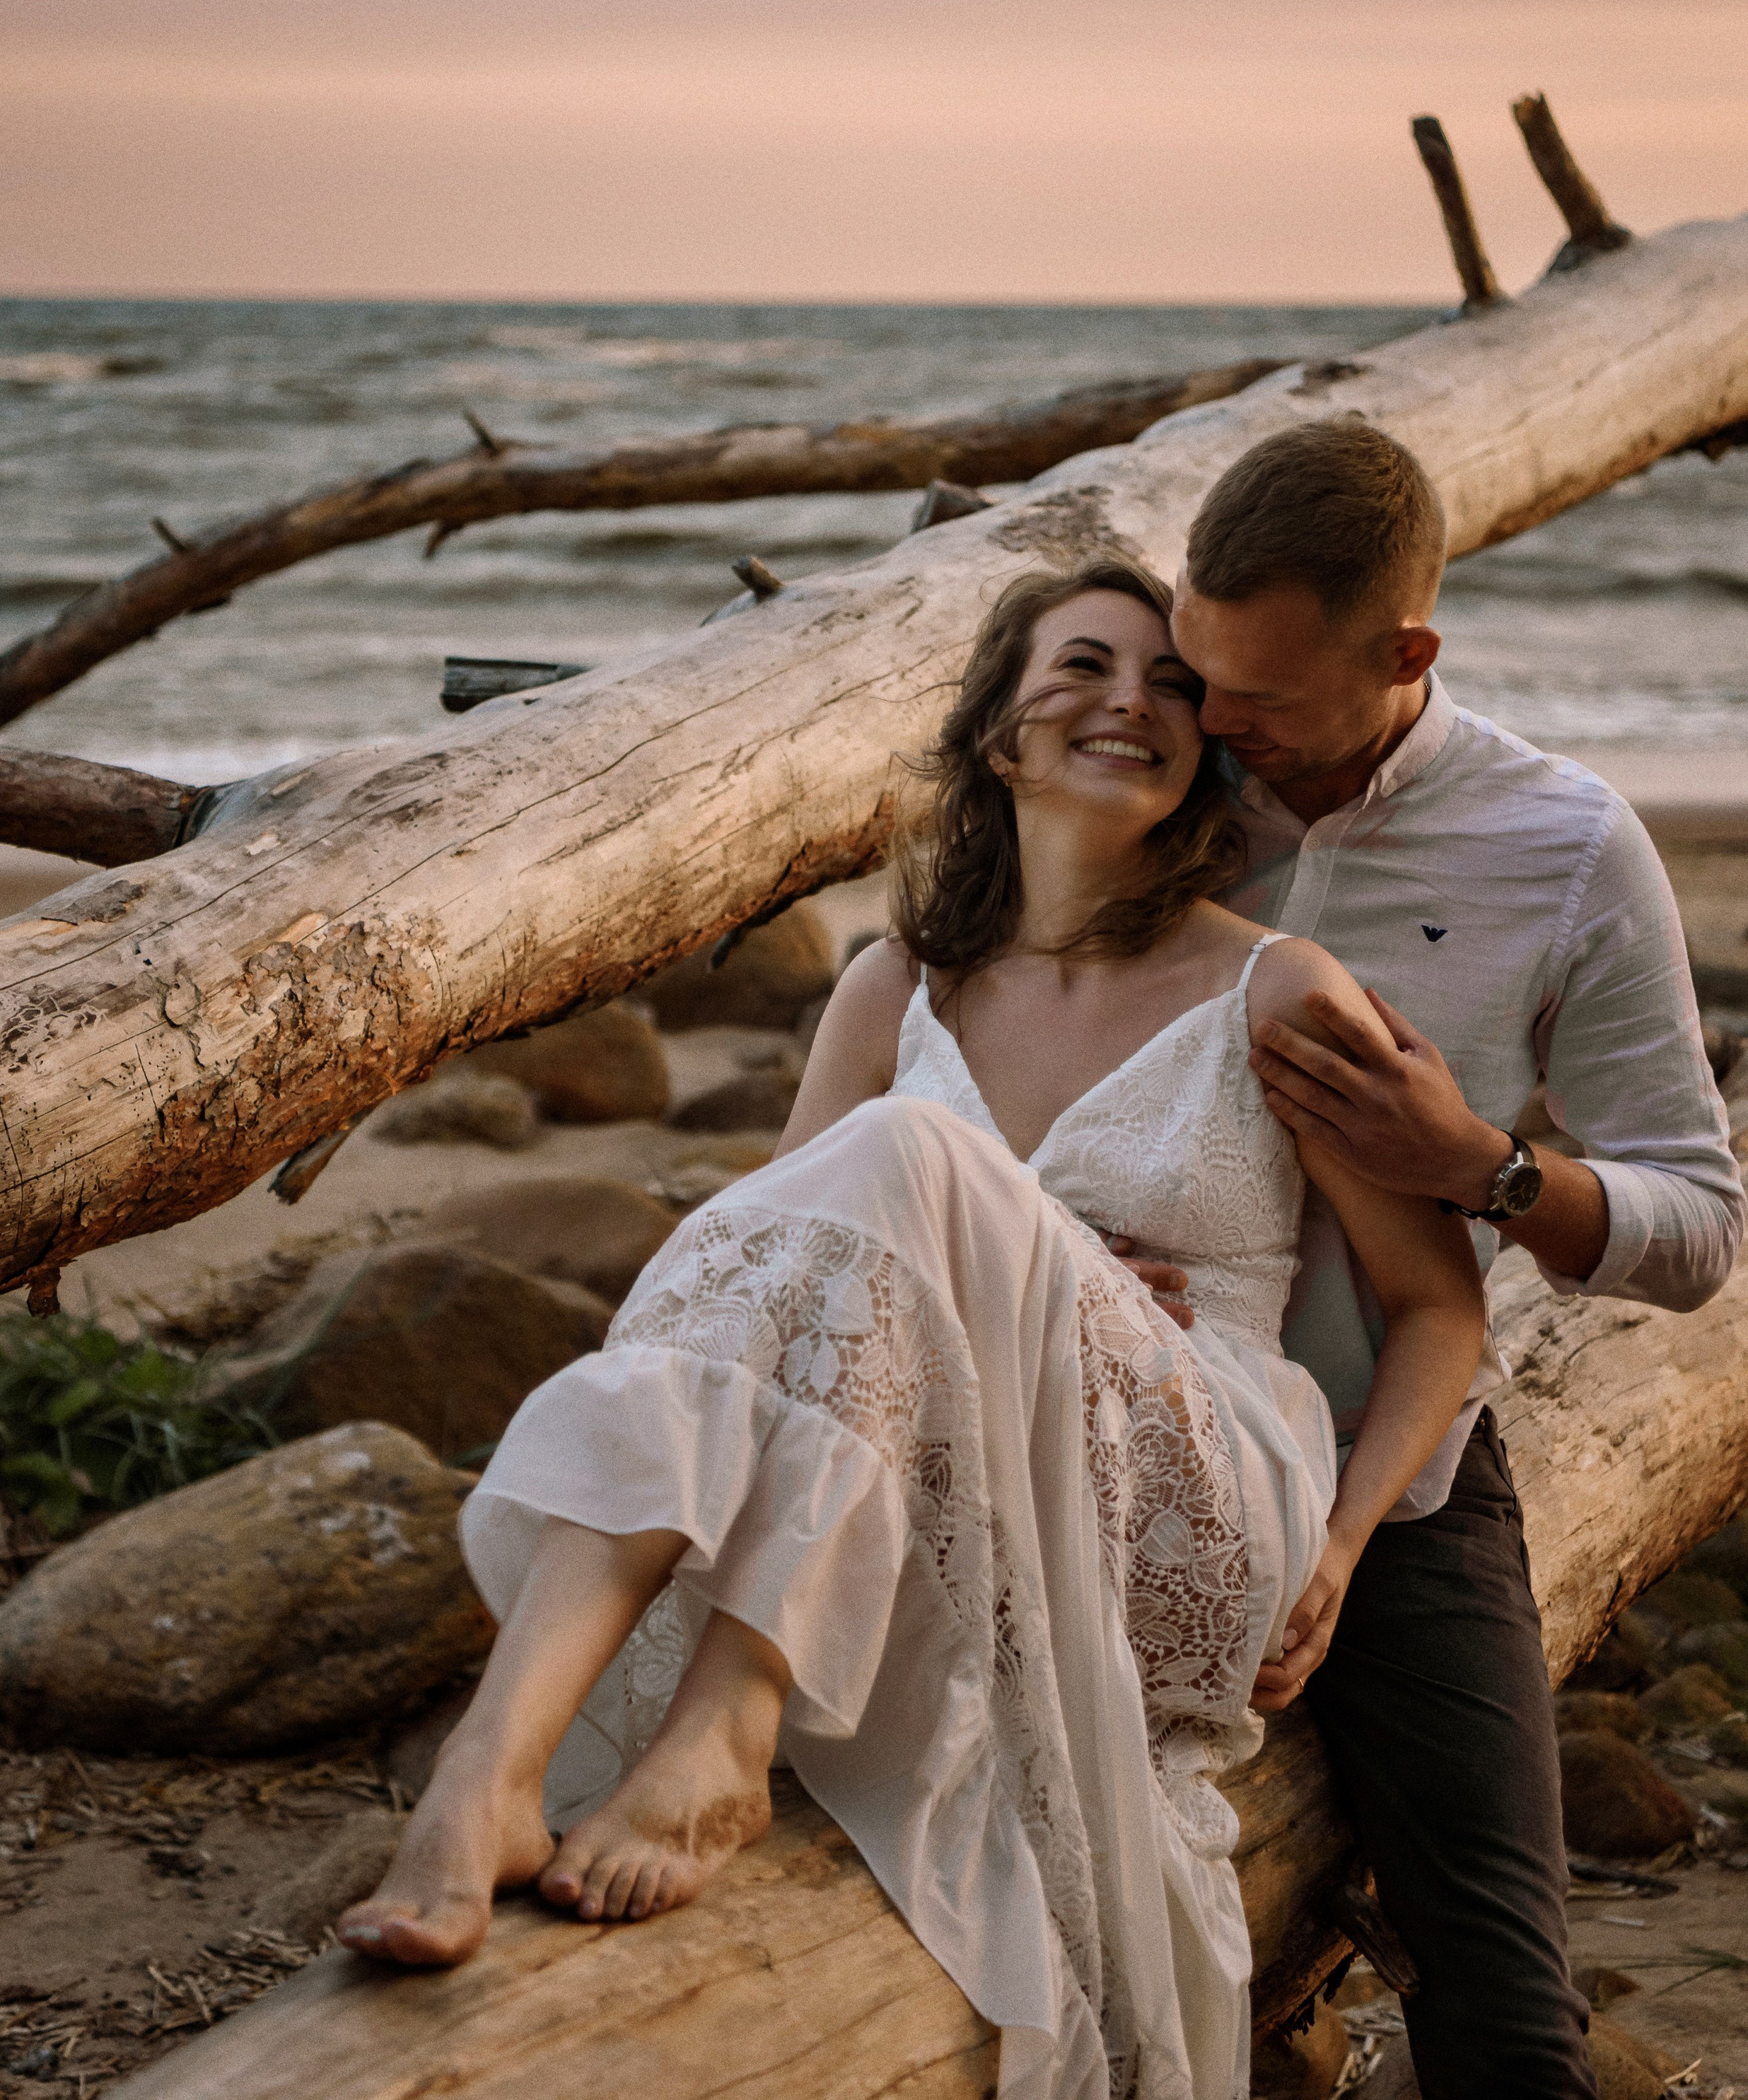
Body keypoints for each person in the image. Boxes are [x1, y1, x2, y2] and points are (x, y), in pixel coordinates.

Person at [337, 559, 1487, 2100]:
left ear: (1203, 750)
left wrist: (1345, 1542)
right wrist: (1010, 1265)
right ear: (998, 732)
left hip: (1184, 1500)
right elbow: (769, 1303)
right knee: (823, 1211)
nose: (1129, 701)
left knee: (905, 1159)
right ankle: (494, 1770)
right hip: (934, 1506)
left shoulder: (1274, 991)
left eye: (1167, 685)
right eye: (1083, 665)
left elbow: (1436, 1305)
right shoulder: (896, 983)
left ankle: (722, 1726)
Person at [1107, 418, 1744, 2100]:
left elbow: (1696, 1232)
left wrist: (1481, 1165)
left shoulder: (1563, 844)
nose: (1214, 731)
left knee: (1505, 2004)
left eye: (1261, 702)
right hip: (1094, 1431)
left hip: (1385, 1457)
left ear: (1407, 657)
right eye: (1196, 671)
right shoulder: (1148, 780)